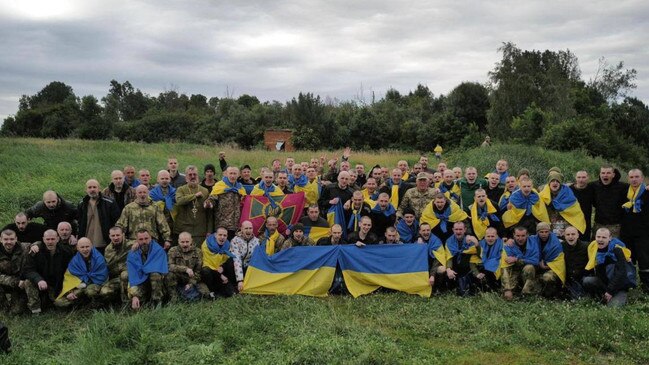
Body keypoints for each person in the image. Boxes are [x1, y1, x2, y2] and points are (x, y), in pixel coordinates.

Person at [21, 230, 75, 314]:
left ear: (58, 239)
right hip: (40, 283)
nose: (50, 242)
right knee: (28, 282)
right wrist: (39, 280)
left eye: (53, 239)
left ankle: (49, 301)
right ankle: (35, 309)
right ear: (43, 239)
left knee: (63, 305)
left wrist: (68, 291)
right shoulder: (35, 252)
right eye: (48, 239)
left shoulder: (65, 252)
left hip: (57, 284)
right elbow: (28, 270)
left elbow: (69, 273)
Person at [583, 228, 634, 307]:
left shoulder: (617, 249)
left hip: (618, 286)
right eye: (598, 237)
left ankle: (615, 297)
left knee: (613, 307)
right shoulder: (593, 248)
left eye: (604, 237)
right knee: (587, 280)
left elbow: (621, 273)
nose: (600, 240)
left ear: (610, 238)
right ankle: (601, 298)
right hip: (604, 284)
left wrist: (610, 291)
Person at [54, 237, 109, 308]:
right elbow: (69, 278)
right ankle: (82, 303)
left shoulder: (99, 258)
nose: (85, 249)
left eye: (87, 246)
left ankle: (95, 304)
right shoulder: (74, 261)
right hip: (79, 285)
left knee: (90, 291)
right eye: (82, 247)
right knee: (59, 302)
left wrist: (85, 283)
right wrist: (70, 292)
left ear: (91, 246)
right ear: (77, 248)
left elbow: (102, 276)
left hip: (96, 284)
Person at [116, 185, 172, 249]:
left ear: (148, 193)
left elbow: (163, 224)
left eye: (144, 192)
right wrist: (119, 239)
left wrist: (167, 239)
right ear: (136, 194)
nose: (142, 194)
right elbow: (121, 225)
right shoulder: (128, 208)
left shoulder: (155, 207)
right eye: (140, 192)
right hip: (134, 242)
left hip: (152, 241)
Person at [620, 169, 649, 291]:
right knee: (628, 260)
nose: (634, 179)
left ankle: (646, 286)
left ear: (642, 179)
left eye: (637, 177)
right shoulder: (624, 192)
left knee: (645, 260)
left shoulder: (647, 192)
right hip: (627, 233)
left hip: (644, 234)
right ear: (628, 179)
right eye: (631, 177)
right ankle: (629, 285)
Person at [127, 229, 168, 310]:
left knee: (155, 274)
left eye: (146, 238)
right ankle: (130, 303)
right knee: (125, 276)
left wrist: (145, 269)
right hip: (140, 280)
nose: (144, 241)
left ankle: (157, 303)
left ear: (151, 238)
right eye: (141, 239)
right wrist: (135, 295)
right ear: (136, 240)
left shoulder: (158, 250)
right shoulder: (132, 252)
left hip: (156, 282)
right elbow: (133, 273)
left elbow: (159, 269)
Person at [539, 169, 586, 238]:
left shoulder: (568, 194)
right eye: (552, 181)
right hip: (548, 230)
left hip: (565, 230)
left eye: (557, 181)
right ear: (549, 183)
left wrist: (568, 230)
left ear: (560, 183)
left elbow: (575, 213)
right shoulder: (542, 195)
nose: (555, 183)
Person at [77, 179, 120, 253]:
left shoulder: (110, 203)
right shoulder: (82, 204)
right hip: (87, 245)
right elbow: (79, 222)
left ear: (99, 189)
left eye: (94, 187)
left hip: (104, 244)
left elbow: (117, 222)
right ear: (86, 190)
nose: (92, 189)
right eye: (89, 187)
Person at [165, 232, 208, 301]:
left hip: (192, 277)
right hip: (177, 277)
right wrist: (185, 269)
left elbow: (198, 271)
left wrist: (191, 283)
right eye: (182, 242)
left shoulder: (198, 252)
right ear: (178, 241)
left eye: (187, 242)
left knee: (205, 294)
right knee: (169, 274)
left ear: (191, 241)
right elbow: (169, 266)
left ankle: (185, 293)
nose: (185, 244)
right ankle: (173, 299)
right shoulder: (173, 251)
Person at [501, 227, 540, 300]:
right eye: (518, 236)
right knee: (508, 296)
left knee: (529, 267)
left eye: (523, 236)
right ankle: (509, 291)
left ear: (527, 235)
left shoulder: (533, 242)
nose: (520, 238)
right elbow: (507, 262)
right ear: (513, 235)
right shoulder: (509, 245)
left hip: (529, 272)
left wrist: (517, 259)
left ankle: (526, 293)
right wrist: (507, 289)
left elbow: (535, 261)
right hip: (515, 270)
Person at [174, 165, 210, 244]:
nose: (193, 177)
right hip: (185, 230)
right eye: (190, 175)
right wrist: (194, 196)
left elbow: (209, 213)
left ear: (198, 176)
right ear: (186, 177)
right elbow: (179, 201)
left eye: (195, 174)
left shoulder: (205, 191)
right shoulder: (181, 189)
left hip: (200, 230)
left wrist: (209, 230)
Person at [208, 167, 247, 239]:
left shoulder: (240, 188)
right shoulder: (219, 186)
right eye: (231, 173)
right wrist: (209, 203)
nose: (232, 176)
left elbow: (245, 202)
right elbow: (212, 199)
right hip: (222, 224)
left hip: (236, 225)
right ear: (226, 174)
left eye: (235, 173)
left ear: (238, 175)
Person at [590, 165, 628, 238]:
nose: (605, 175)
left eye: (608, 173)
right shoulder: (594, 185)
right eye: (603, 173)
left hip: (615, 226)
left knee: (614, 248)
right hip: (598, 225)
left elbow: (637, 187)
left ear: (613, 175)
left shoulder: (623, 187)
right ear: (600, 174)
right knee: (596, 247)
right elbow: (580, 186)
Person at [529, 223, 565, 298]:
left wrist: (547, 265)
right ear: (537, 232)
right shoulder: (532, 240)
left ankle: (550, 295)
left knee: (547, 277)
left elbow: (559, 260)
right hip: (536, 264)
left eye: (546, 232)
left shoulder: (556, 243)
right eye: (541, 232)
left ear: (549, 232)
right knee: (528, 268)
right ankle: (528, 292)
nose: (544, 234)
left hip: (552, 267)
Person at [444, 222, 480, 296]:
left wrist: (476, 244)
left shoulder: (471, 239)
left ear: (465, 230)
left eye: (460, 229)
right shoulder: (449, 241)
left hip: (468, 267)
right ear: (453, 230)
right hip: (455, 266)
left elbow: (479, 255)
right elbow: (449, 257)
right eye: (456, 229)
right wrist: (448, 269)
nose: (458, 232)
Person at [201, 227, 237, 298]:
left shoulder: (227, 245)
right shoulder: (206, 245)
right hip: (211, 270)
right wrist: (220, 275)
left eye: (224, 235)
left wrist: (222, 267)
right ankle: (211, 291)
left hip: (221, 270)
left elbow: (227, 260)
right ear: (215, 235)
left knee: (232, 262)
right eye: (220, 235)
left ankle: (231, 286)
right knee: (206, 271)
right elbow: (207, 263)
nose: (222, 237)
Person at [0, 230, 29, 314]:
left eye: (11, 239)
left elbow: (43, 243)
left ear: (16, 239)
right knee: (4, 312)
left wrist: (37, 245)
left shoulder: (25, 247)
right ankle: (3, 307)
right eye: (5, 239)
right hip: (6, 282)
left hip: (20, 285)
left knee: (16, 312)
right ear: (1, 239)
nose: (9, 242)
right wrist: (15, 281)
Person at [100, 227, 130, 303]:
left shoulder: (132, 245)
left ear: (123, 235)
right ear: (109, 236)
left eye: (118, 235)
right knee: (104, 292)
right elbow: (107, 266)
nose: (115, 238)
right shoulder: (108, 249)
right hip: (116, 278)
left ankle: (126, 303)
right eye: (113, 236)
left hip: (131, 277)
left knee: (125, 275)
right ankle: (116, 301)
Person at [230, 221, 260, 292]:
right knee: (230, 262)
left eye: (250, 228)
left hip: (248, 267)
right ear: (241, 229)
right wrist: (240, 280)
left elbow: (257, 259)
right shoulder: (235, 240)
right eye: (246, 228)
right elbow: (237, 260)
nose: (248, 230)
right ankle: (234, 284)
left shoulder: (257, 241)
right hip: (235, 267)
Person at [561, 226, 589, 299]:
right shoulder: (561, 247)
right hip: (568, 279)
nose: (571, 237)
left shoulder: (587, 246)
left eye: (573, 234)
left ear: (578, 235)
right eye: (568, 235)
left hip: (583, 278)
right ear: (564, 236)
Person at [474, 227, 504, 292]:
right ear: (485, 237)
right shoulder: (480, 244)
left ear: (496, 236)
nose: (490, 238)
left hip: (496, 269)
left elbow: (501, 258)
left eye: (492, 236)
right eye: (488, 236)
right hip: (482, 268)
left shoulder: (502, 244)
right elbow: (475, 258)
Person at [569, 170, 594, 240]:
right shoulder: (569, 190)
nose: (581, 180)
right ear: (575, 178)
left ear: (588, 178)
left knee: (584, 245)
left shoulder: (591, 189)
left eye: (583, 177)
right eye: (579, 177)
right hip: (572, 222)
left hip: (586, 223)